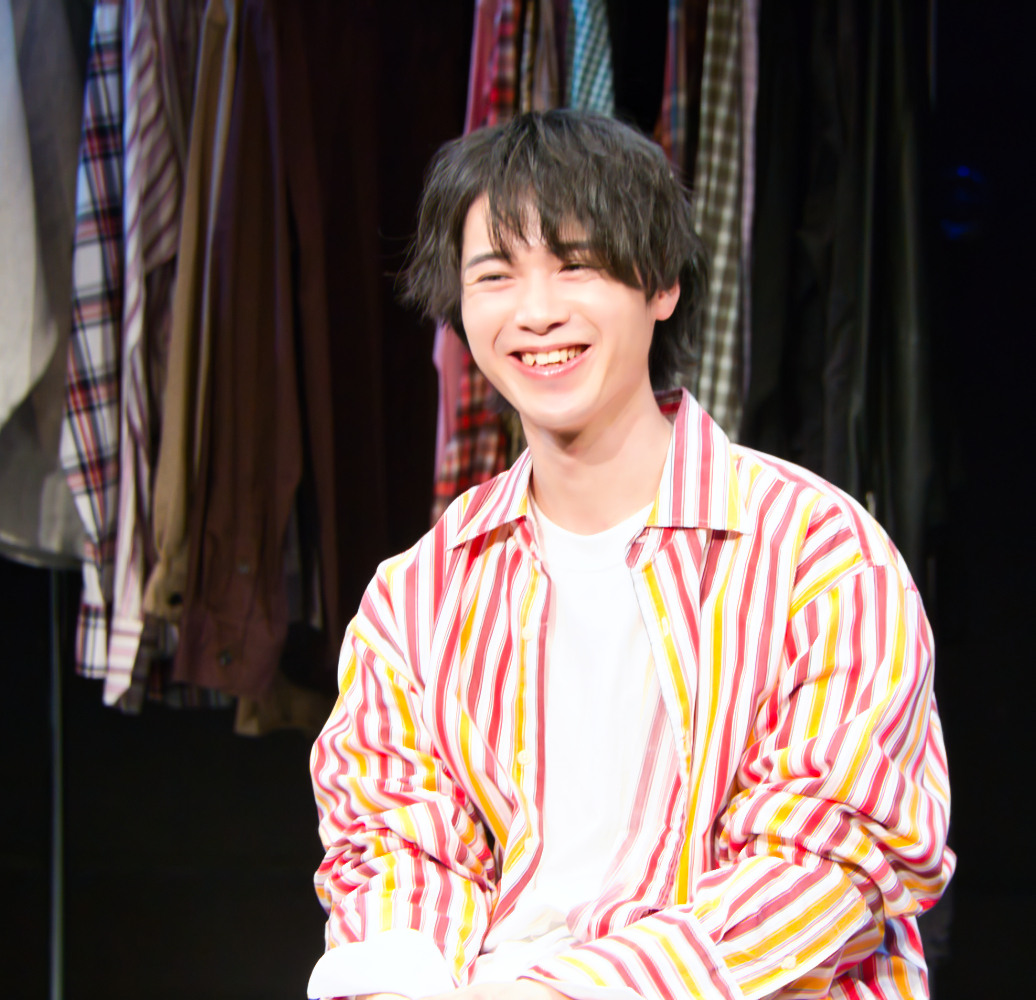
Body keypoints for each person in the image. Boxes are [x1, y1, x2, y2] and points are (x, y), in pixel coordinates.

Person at [306, 110, 954, 1000]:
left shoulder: (823, 557)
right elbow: (393, 851)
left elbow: (824, 868)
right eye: (495, 274)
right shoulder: (416, 597)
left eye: (576, 265)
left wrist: (553, 994)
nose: (537, 312)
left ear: (662, 285)